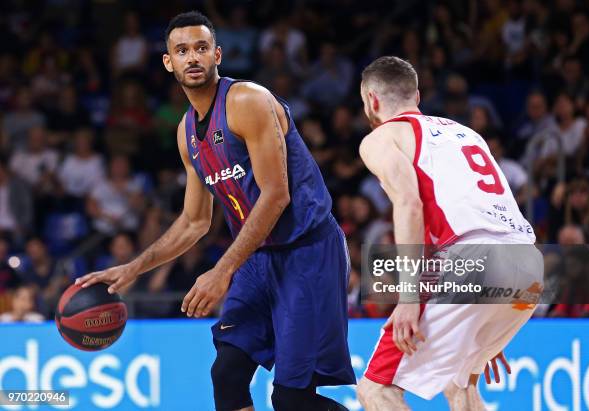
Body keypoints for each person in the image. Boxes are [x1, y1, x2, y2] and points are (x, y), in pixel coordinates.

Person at [76, 11, 354, 411]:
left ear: (217, 54)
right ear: (168, 62)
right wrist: (133, 267)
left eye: (201, 48)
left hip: (306, 253)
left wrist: (222, 271)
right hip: (258, 258)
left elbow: (276, 196)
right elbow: (194, 221)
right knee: (226, 375)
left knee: (292, 399)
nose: (193, 57)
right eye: (182, 50)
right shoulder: (186, 131)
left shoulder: (248, 101)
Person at [355, 56, 544, 410]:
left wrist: (410, 298)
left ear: (371, 100)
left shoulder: (382, 137)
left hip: (473, 260)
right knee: (460, 388)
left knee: (376, 390)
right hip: (528, 266)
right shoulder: (465, 133)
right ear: (417, 95)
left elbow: (410, 204)